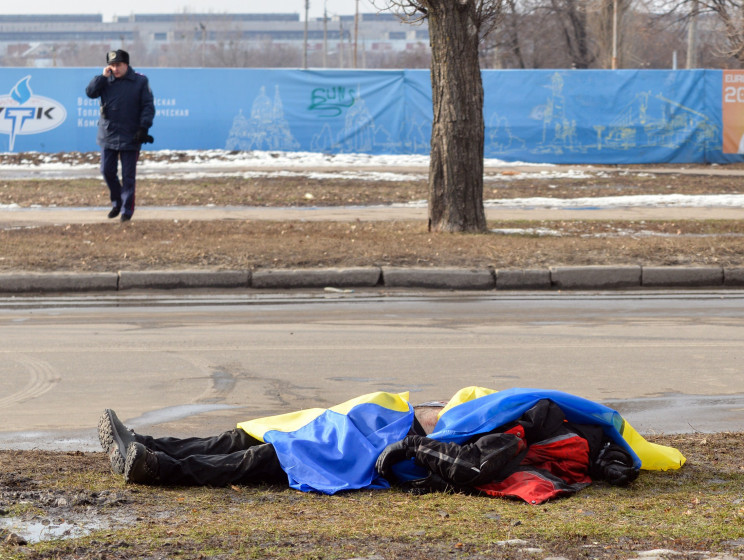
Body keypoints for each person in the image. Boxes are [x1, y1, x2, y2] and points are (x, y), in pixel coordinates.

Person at [99, 387, 686, 503]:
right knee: (274, 436)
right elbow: (471, 436)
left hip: (395, 437)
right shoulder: (536, 422)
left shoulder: (533, 432)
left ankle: (153, 464)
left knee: (276, 454)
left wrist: (410, 452)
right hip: (396, 424)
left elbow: (468, 463)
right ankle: (149, 445)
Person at [85, 49, 155, 222]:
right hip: (108, 134)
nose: (115, 69)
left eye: (118, 65)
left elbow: (148, 106)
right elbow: (90, 93)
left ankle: (126, 211)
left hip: (131, 135)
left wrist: (143, 128)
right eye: (112, 65)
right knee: (107, 171)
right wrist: (101, 77)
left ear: (126, 64)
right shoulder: (105, 81)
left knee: (128, 176)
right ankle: (117, 202)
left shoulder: (140, 81)